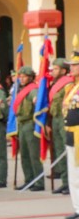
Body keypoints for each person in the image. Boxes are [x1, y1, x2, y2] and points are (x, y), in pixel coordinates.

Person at [13, 65, 44, 190]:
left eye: (24, 76)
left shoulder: (32, 90)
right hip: (21, 124)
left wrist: (36, 100)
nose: (22, 78)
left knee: (33, 155)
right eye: (20, 76)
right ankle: (29, 179)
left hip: (30, 124)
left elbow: (36, 100)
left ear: (31, 77)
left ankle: (39, 182)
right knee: (24, 155)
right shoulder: (20, 90)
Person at [48, 58, 73, 194]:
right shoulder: (53, 84)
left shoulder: (68, 84)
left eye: (56, 68)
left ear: (63, 70)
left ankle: (71, 183)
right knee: (59, 151)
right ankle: (65, 181)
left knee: (67, 150)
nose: (53, 71)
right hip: (55, 119)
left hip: (65, 120)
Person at [62, 76, 79, 219]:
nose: (72, 68)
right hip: (71, 133)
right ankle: (77, 208)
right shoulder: (71, 88)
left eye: (75, 65)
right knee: (73, 175)